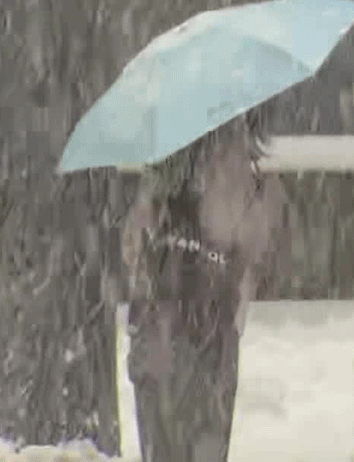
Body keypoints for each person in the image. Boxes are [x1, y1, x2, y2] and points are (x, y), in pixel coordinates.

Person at [122, 111, 290, 462]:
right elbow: (246, 240)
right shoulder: (233, 157)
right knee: (203, 443)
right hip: (207, 328)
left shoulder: (163, 162)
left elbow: (134, 249)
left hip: (160, 329)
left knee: (164, 447)